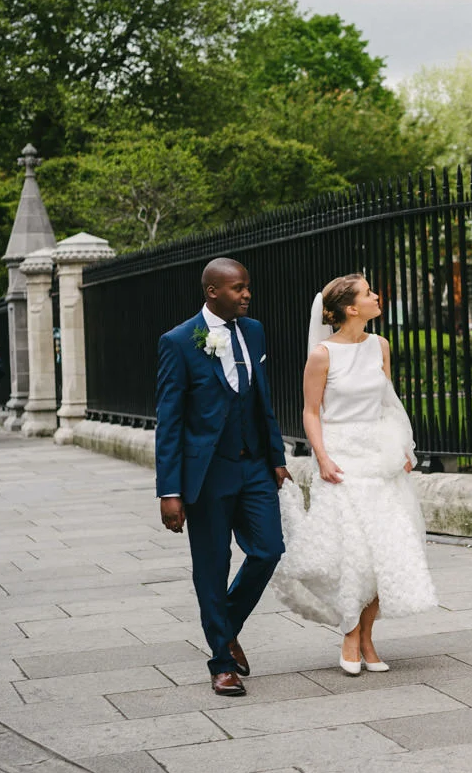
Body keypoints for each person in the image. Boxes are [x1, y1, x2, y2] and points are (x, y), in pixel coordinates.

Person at [272, 274, 436, 675]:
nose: (376, 296)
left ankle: (367, 637)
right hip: (342, 459)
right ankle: (350, 632)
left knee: (389, 548)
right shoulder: (322, 354)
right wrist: (322, 458)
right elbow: (311, 412)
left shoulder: (380, 345)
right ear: (350, 308)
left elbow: (388, 403)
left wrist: (402, 447)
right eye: (368, 294)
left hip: (380, 458)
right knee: (354, 553)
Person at [155, 258, 289, 697]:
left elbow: (261, 399)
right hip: (207, 474)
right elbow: (169, 422)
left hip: (253, 466)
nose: (247, 294)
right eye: (238, 288)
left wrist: (275, 455)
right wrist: (170, 491)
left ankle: (227, 625)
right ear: (212, 291)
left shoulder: (253, 331)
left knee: (269, 549)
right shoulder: (178, 342)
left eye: (248, 287)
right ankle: (221, 660)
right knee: (212, 566)